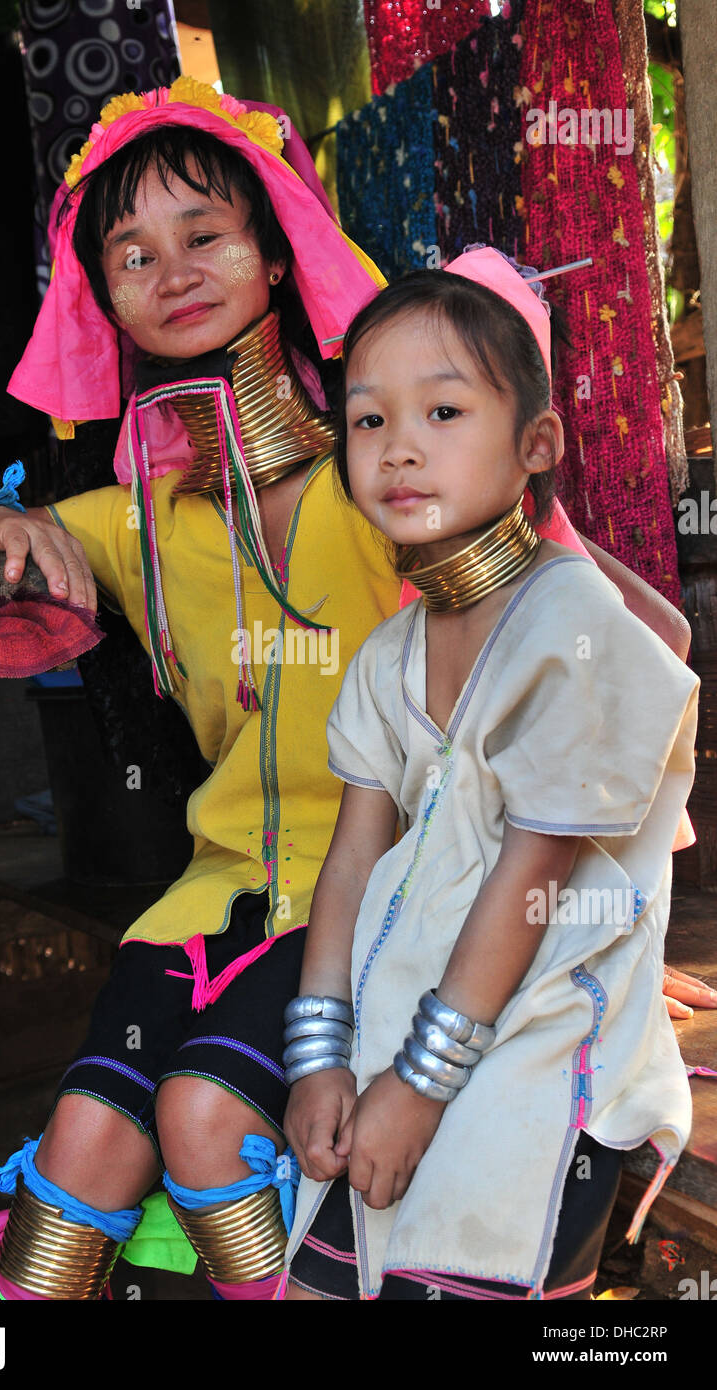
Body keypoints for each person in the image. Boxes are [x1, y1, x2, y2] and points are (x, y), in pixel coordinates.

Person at [0, 81, 709, 1301]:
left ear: (273, 252)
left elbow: (622, 652)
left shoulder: (385, 478)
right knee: (81, 1153)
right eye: (131, 253)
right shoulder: (134, 526)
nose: (172, 269)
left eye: (204, 234)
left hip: (373, 899)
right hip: (209, 894)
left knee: (208, 1111)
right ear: (103, 301)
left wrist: (612, 899)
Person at [281, 248, 700, 1302]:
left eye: (443, 412)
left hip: (544, 1038)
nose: (398, 449)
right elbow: (347, 863)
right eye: (368, 421)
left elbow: (532, 876)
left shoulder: (572, 631)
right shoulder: (389, 654)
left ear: (535, 444)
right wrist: (318, 1051)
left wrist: (416, 1089)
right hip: (408, 1017)